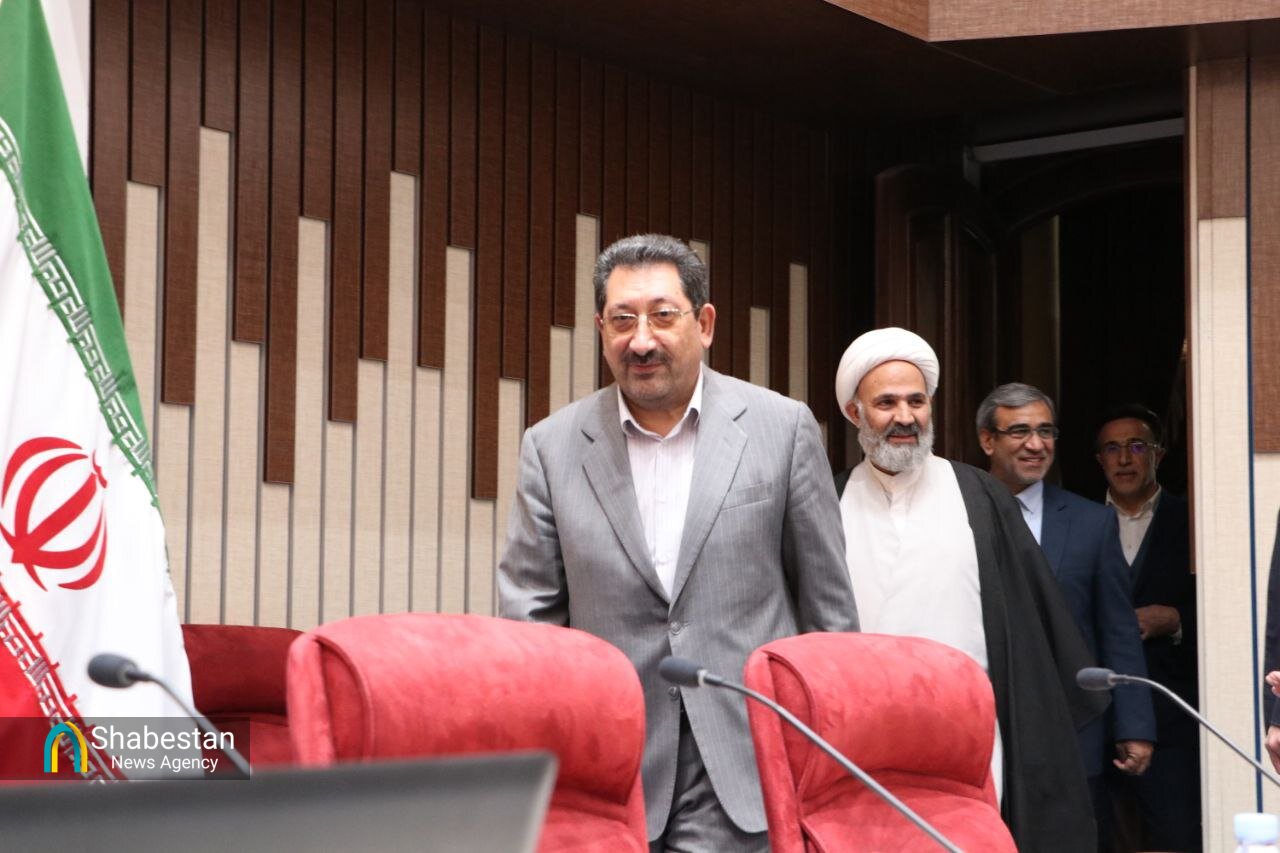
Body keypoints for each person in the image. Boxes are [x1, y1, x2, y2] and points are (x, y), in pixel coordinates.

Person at [498, 234, 859, 852]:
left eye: (663, 316)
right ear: (600, 329)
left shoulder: (782, 429)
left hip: (746, 764)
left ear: (705, 323)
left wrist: (823, 768)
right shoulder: (551, 447)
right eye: (622, 320)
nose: (642, 340)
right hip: (609, 768)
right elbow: (530, 623)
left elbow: (829, 617)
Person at [832, 327, 1107, 853]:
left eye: (917, 401)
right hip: (860, 744)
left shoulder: (980, 497)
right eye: (886, 403)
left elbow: (1031, 628)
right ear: (854, 413)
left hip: (970, 740)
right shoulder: (829, 501)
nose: (905, 417)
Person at [976, 382, 1156, 843]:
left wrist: (1135, 725)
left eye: (1046, 431)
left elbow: (1117, 629)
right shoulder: (957, 517)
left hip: (1072, 725)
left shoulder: (1092, 523)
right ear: (987, 440)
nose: (1036, 444)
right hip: (983, 721)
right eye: (1020, 431)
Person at [1095, 404, 1200, 851]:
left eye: (1136, 446)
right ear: (1099, 460)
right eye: (1112, 449)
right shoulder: (1077, 520)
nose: (1124, 459)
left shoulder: (1193, 520)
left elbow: (1226, 603)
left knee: (1176, 837)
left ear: (1157, 455)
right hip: (1096, 715)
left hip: (1172, 715)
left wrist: (1176, 620)